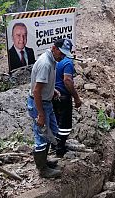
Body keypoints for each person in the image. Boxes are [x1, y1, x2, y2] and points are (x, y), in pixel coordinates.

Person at [26, 39, 72, 178]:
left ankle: (45, 161)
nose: (62, 57)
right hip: (38, 103)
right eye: (61, 53)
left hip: (46, 101)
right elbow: (36, 91)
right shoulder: (45, 64)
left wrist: (53, 92)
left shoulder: (52, 61)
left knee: (50, 131)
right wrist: (40, 114)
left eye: (65, 55)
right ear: (54, 48)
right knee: (41, 135)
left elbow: (44, 86)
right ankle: (42, 169)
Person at [52, 38, 82, 158]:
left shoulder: (54, 60)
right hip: (63, 97)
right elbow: (67, 80)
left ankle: (55, 145)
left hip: (53, 96)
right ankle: (60, 149)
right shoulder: (67, 62)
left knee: (55, 121)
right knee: (65, 125)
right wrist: (76, 97)